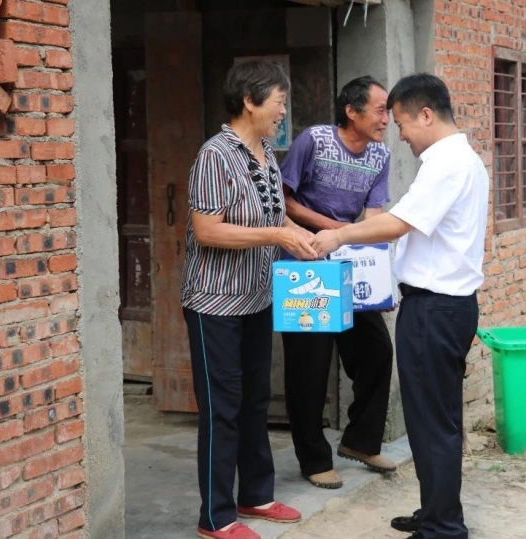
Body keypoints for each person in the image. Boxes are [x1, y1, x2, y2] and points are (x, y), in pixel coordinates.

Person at [311, 73, 489, 539]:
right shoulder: (458, 161)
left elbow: (398, 223)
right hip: (443, 308)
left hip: (435, 310)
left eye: (403, 124)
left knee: (432, 423)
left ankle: (443, 528)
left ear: (426, 115)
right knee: (435, 419)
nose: (400, 134)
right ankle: (436, 514)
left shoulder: (447, 164)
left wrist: (339, 234)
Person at [181, 61, 317, 539]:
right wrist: (278, 234)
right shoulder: (215, 155)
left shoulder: (266, 153)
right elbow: (208, 229)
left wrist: (305, 240)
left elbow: (273, 221)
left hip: (257, 297)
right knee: (223, 407)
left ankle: (256, 494)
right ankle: (215, 518)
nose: (283, 111)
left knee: (255, 401)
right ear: (249, 100)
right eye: (278, 102)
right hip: (214, 304)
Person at [280, 75, 397, 490]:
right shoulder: (314, 140)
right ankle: (313, 459)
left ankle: (360, 442)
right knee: (309, 367)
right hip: (305, 265)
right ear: (352, 110)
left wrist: (375, 270)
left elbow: (374, 213)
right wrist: (331, 226)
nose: (387, 118)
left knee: (377, 352)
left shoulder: (380, 155)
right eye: (381, 109)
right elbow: (284, 199)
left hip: (350, 267)